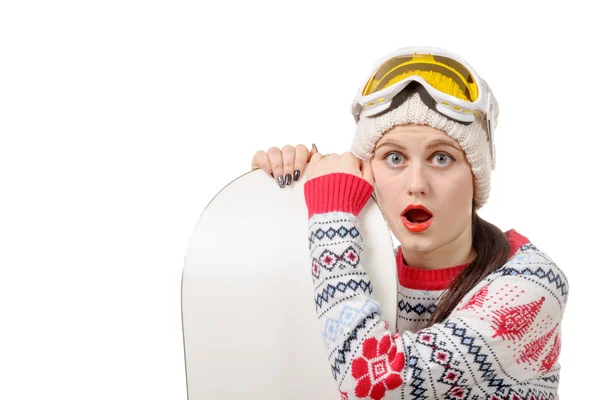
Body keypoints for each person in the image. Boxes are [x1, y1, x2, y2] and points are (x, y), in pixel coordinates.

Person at [251, 46, 568, 399]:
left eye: (442, 157)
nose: (416, 183)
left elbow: (373, 380)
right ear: (368, 174)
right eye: (394, 157)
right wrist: (283, 198)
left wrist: (331, 212)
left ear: (475, 178)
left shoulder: (530, 284)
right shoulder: (366, 269)